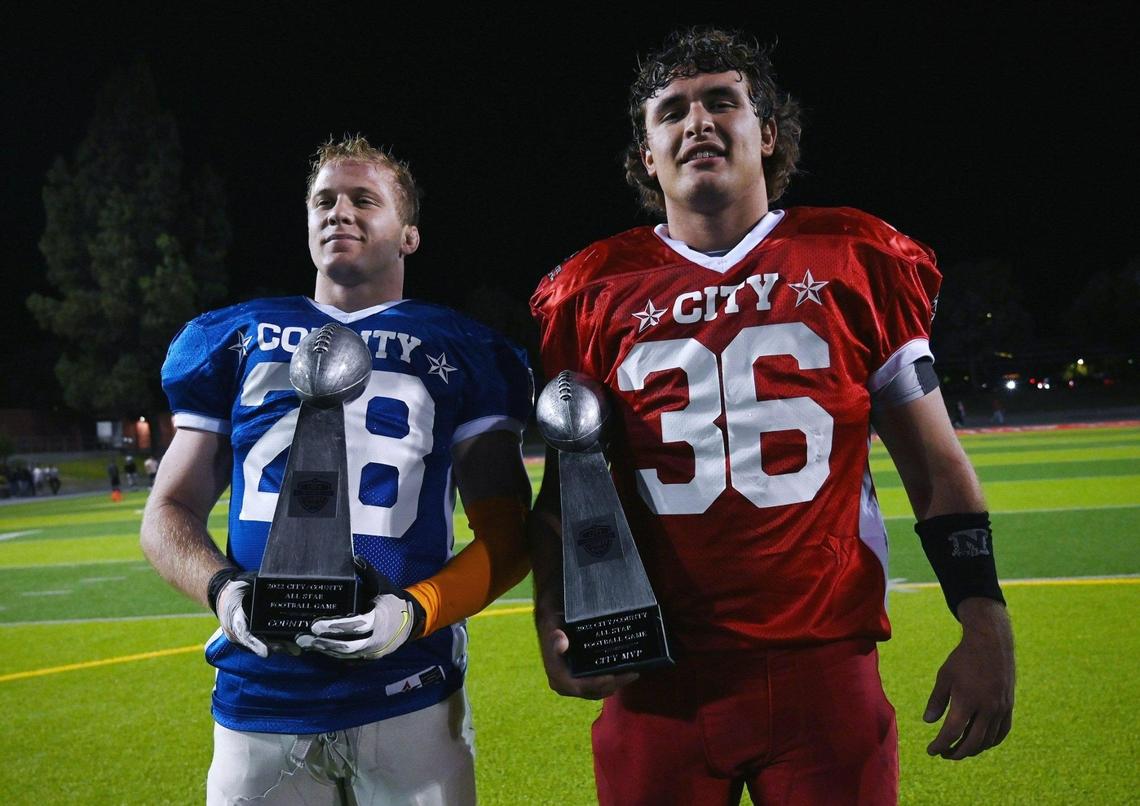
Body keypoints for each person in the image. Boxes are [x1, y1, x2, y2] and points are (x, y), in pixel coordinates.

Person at [529, 28, 1015, 805]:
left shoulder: (858, 257)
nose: (698, 123)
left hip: (824, 662)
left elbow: (934, 464)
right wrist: (551, 614)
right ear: (647, 156)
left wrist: (984, 619)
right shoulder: (589, 293)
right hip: (657, 670)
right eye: (672, 111)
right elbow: (568, 488)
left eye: (723, 101)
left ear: (768, 133)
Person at [141, 135, 533, 805]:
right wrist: (223, 592)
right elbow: (167, 511)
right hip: (260, 697)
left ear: (408, 234)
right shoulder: (235, 336)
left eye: (363, 199)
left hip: (410, 691)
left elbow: (512, 532)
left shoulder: (461, 347)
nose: (338, 212)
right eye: (323, 200)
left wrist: (415, 613)